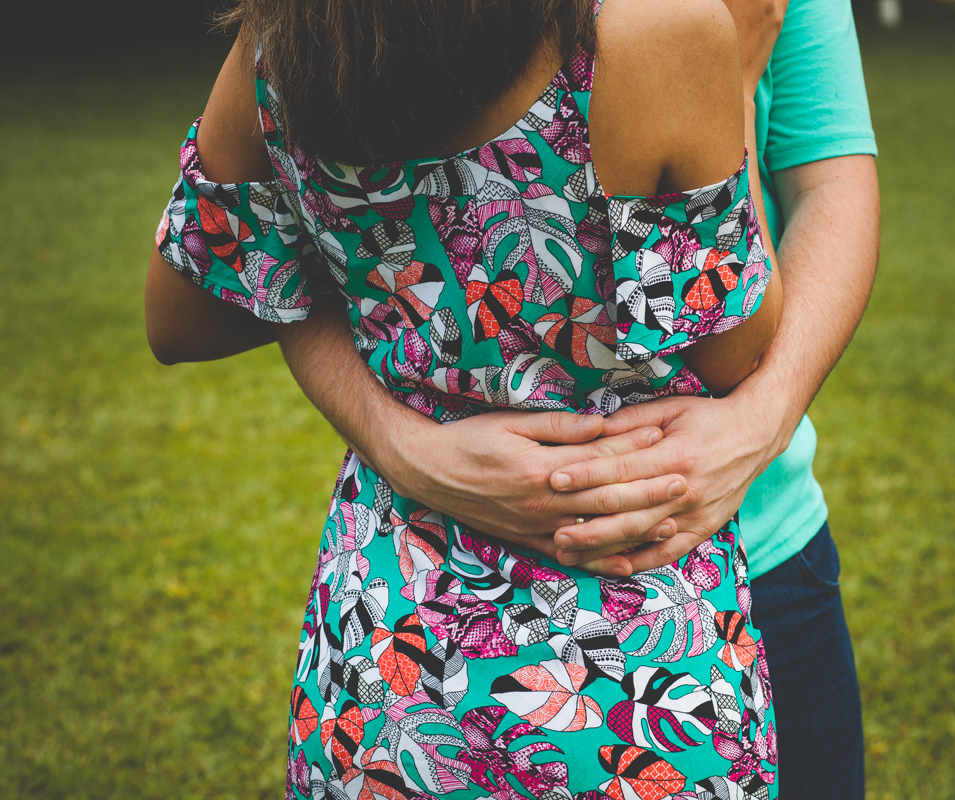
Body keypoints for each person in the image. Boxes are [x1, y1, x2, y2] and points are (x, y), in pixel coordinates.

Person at [145, 0, 791, 796]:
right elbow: (738, 346)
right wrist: (736, 82)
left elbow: (184, 313)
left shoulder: (288, 39)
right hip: (637, 689)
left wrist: (360, 298)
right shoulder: (657, 31)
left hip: (385, 675)